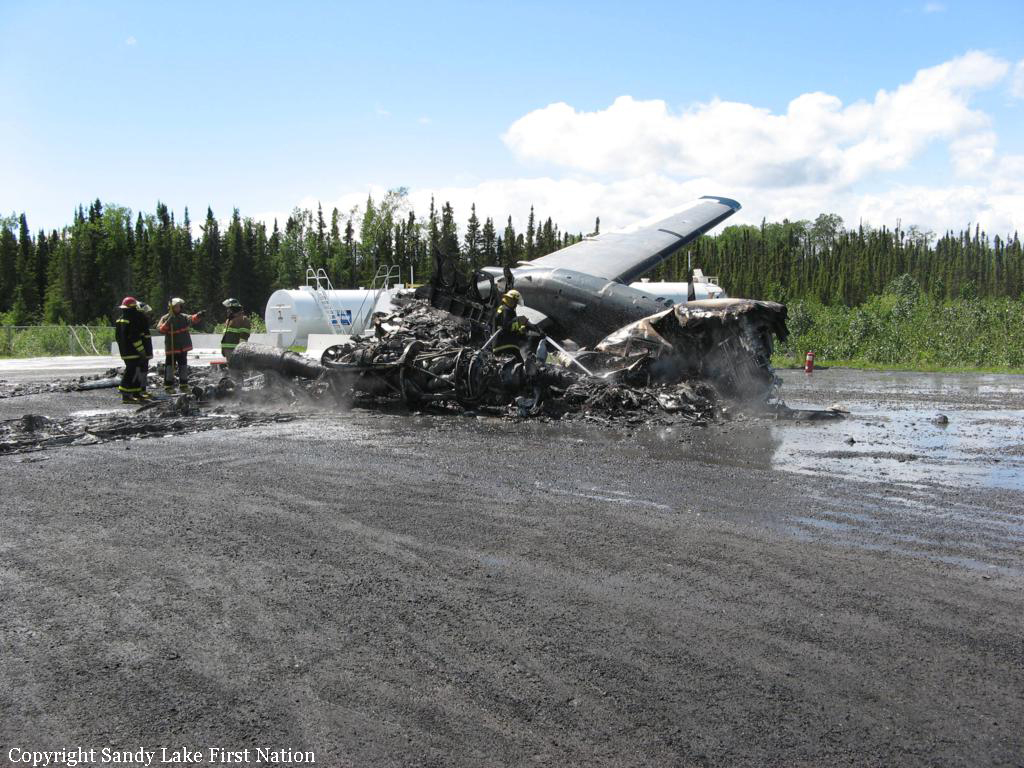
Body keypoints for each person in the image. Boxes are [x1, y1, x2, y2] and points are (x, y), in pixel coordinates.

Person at [158, 298, 204, 393]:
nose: (178, 308)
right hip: (172, 348)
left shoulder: (183, 317)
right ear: (171, 308)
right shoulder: (165, 318)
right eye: (176, 307)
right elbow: (161, 330)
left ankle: (183, 385)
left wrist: (198, 315)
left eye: (179, 306)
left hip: (183, 348)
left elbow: (192, 319)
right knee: (170, 367)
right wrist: (169, 321)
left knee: (183, 367)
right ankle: (168, 386)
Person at [114, 296, 154, 403]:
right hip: (133, 351)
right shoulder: (132, 320)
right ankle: (126, 395)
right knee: (130, 372)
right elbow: (135, 337)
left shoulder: (120, 320)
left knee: (135, 371)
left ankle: (136, 393)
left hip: (125, 351)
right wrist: (141, 351)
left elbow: (117, 338)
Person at [492, 289, 536, 361]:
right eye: (516, 302)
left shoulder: (502, 309)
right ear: (512, 301)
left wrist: (522, 331)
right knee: (520, 364)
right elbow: (507, 326)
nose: (516, 306)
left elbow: (509, 328)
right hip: (506, 344)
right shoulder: (507, 310)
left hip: (499, 345)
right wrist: (522, 321)